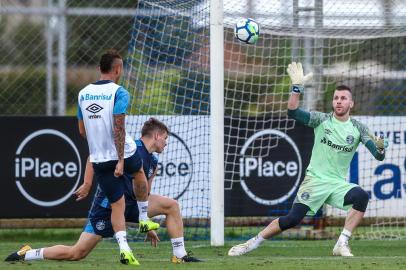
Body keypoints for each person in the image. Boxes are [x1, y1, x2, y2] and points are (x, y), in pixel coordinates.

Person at [228, 62, 389, 257]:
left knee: (361, 196)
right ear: (333, 103)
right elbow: (293, 112)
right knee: (292, 219)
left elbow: (378, 156)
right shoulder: (321, 120)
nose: (339, 101)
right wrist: (297, 87)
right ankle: (252, 243)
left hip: (337, 184)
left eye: (343, 98)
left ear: (351, 104)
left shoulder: (359, 128)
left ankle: (342, 242)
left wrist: (380, 147)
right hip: (315, 182)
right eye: (336, 98)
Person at [5, 118, 201, 265]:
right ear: (157, 136)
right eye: (165, 138)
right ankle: (28, 253)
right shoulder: (129, 147)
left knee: (172, 205)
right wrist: (87, 182)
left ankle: (180, 255)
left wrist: (146, 222)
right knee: (77, 253)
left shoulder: (154, 162)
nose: (166, 143)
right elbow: (93, 156)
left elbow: (144, 193)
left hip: (131, 205)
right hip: (107, 208)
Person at [76, 49, 158, 264]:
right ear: (118, 69)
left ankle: (124, 248)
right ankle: (143, 218)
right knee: (139, 170)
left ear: (99, 69)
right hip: (121, 152)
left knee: (117, 205)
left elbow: (82, 131)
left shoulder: (83, 93)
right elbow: (118, 127)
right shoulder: (119, 92)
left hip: (99, 157)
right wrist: (121, 160)